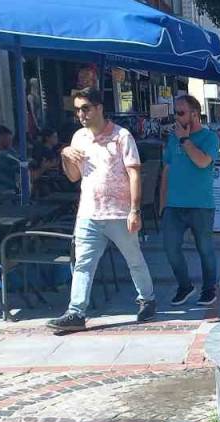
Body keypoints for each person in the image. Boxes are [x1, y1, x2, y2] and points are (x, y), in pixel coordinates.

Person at [47, 87, 156, 331]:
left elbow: (134, 174)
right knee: (83, 263)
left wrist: (135, 210)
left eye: (85, 108)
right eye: (77, 110)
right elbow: (74, 176)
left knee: (134, 259)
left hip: (118, 212)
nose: (81, 114)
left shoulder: (121, 136)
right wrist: (65, 155)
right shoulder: (79, 138)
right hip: (89, 212)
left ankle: (147, 299)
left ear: (99, 108)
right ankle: (76, 312)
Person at [161, 95, 220, 308]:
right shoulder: (171, 139)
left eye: (181, 113)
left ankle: (209, 289)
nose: (176, 117)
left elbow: (203, 162)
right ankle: (185, 286)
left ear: (195, 114)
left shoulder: (209, 138)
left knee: (205, 248)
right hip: (174, 205)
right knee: (170, 248)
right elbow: (166, 171)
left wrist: (185, 140)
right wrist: (162, 204)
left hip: (200, 205)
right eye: (174, 112)